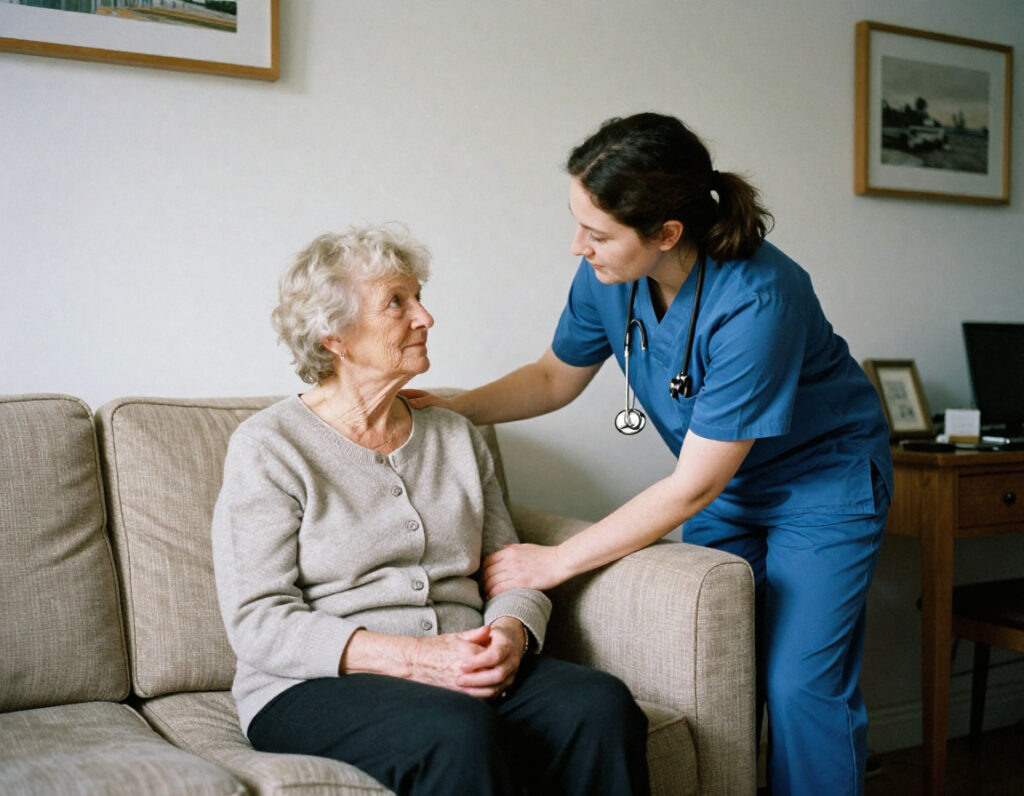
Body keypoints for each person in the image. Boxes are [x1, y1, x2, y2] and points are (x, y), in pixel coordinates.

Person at [404, 113, 893, 796]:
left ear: (667, 234)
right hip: (730, 490)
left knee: (799, 687)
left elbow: (691, 487)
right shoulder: (607, 278)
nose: (579, 246)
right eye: (578, 222)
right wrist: (456, 407)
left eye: (598, 233)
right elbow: (552, 377)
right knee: (720, 670)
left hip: (822, 488)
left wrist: (556, 560)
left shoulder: (759, 298)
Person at [210, 224, 649, 796]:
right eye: (398, 302)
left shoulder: (455, 435)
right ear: (334, 337)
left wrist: (509, 634)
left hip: (464, 661)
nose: (425, 317)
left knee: (599, 704)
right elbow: (258, 620)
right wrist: (417, 659)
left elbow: (508, 567)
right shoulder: (270, 446)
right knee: (453, 730)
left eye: (419, 297)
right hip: (317, 683)